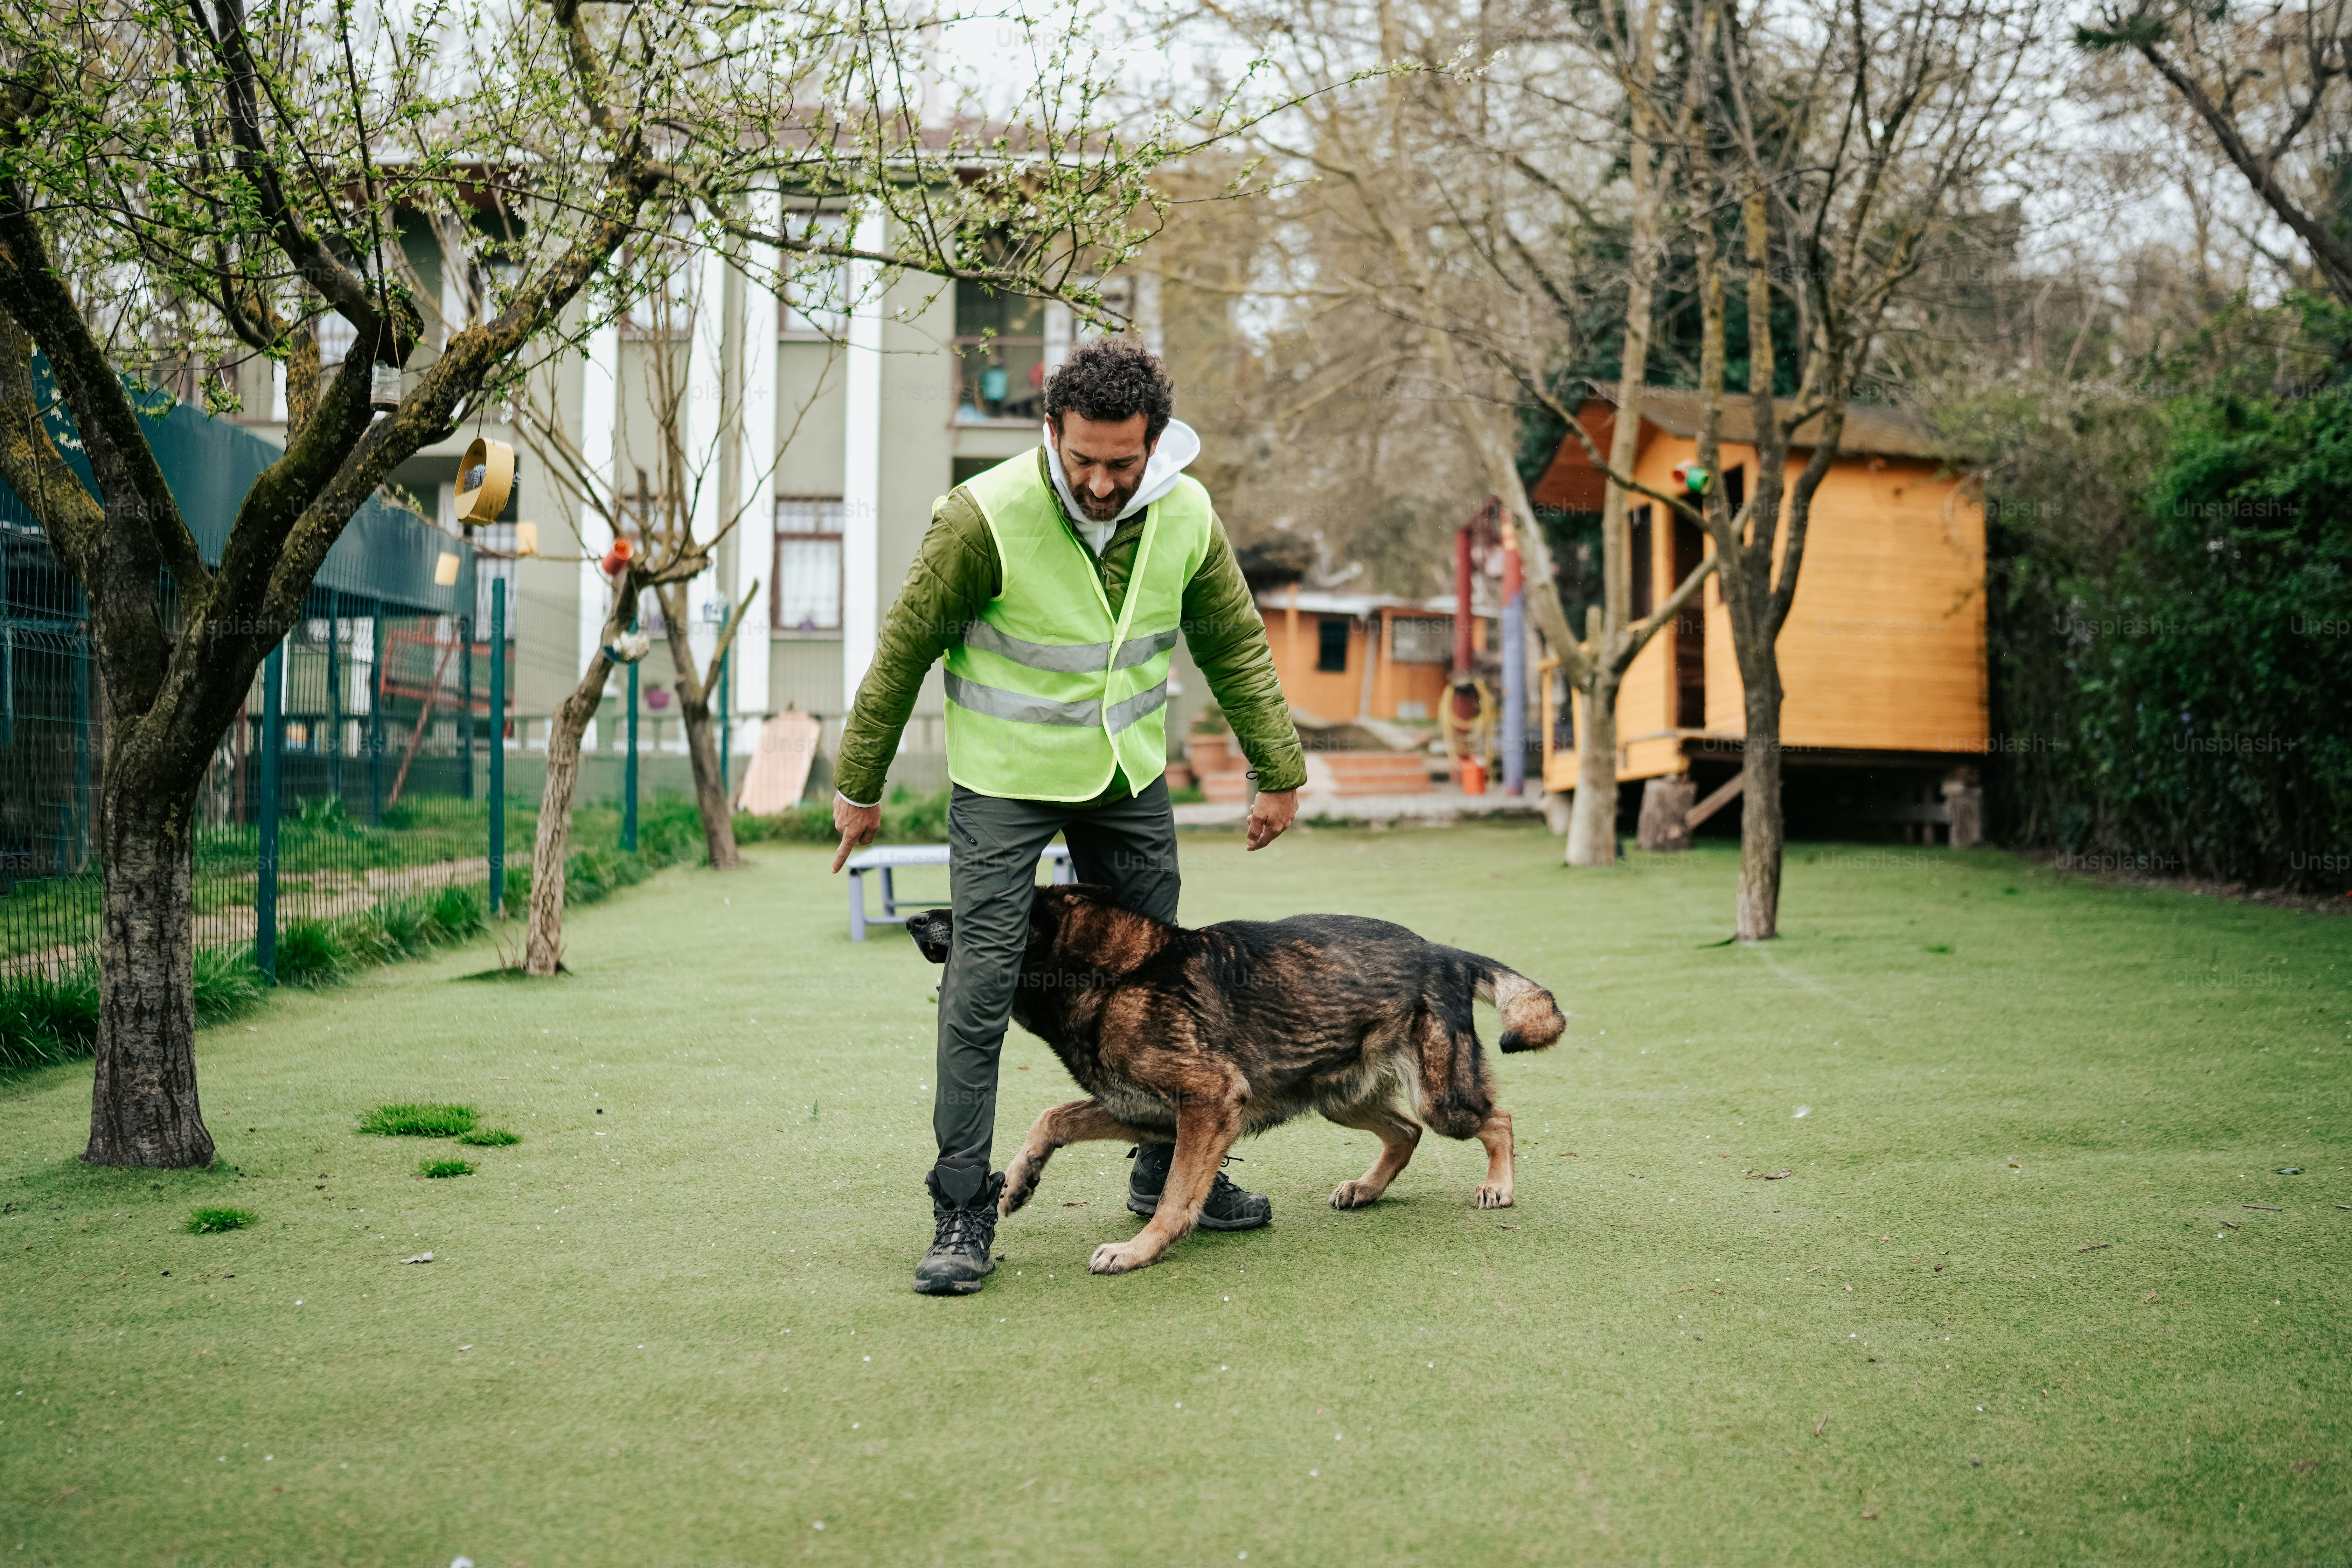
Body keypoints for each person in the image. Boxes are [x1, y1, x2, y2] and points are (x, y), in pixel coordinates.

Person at [829, 336, 1306, 1295]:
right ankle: (963, 1209)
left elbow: (1234, 644)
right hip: (1004, 782)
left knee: (1175, 984)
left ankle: (1165, 1173)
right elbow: (903, 650)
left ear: (1156, 444)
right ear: (1052, 431)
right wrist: (859, 785)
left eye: (1120, 463)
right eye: (1080, 457)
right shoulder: (983, 516)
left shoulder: (1186, 511)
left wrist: (1277, 768)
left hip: (1126, 777)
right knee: (982, 985)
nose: (1098, 480)